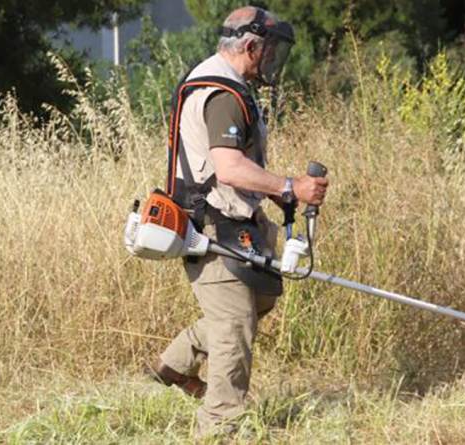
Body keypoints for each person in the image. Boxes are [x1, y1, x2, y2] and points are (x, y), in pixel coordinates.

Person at [149, 5, 329, 437]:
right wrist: (291, 187)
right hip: (214, 228)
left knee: (258, 300)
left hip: (236, 222)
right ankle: (219, 428)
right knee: (233, 332)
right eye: (269, 51)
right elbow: (227, 168)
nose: (273, 61)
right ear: (250, 46)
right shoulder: (224, 94)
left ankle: (174, 365)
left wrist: (276, 191)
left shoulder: (224, 82)